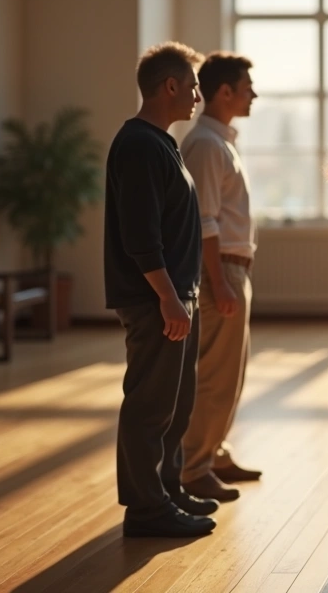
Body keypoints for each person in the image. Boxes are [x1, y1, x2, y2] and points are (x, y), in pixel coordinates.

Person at [104, 41, 219, 538]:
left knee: (175, 403)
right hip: (157, 299)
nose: (197, 96)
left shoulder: (161, 143)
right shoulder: (138, 145)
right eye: (193, 86)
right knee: (150, 405)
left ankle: (167, 490)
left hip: (175, 296)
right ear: (170, 86)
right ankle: (146, 509)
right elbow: (140, 236)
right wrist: (169, 297)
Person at [179, 52, 262, 503]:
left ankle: (214, 452)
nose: (253, 94)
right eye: (247, 86)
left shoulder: (220, 141)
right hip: (222, 270)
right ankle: (194, 467)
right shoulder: (208, 145)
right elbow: (205, 221)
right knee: (216, 373)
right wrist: (220, 281)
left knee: (231, 370)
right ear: (225, 91)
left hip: (231, 268)